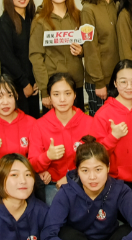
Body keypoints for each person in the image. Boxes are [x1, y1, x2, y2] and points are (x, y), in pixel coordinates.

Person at [28, 72, 97, 203]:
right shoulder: (40, 125)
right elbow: (32, 164)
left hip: (85, 182)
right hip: (53, 185)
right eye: (56, 94)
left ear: (75, 95)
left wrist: (72, 177)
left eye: (67, 93)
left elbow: (99, 159)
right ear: (49, 97)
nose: (62, 99)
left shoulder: (89, 123)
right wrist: (47, 156)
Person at [30, 0, 85, 112]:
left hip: (76, 84)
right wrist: (44, 91)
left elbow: (89, 47)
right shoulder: (40, 20)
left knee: (77, 123)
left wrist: (81, 51)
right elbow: (36, 57)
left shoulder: (78, 16)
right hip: (52, 88)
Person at [93, 60, 132, 192]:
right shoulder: (103, 114)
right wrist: (113, 137)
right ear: (115, 83)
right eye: (123, 82)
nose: (129, 86)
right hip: (115, 181)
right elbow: (95, 155)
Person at [80, 0, 121, 117]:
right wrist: (99, 82)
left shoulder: (116, 5)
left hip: (117, 78)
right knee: (100, 123)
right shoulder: (88, 9)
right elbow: (90, 48)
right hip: (99, 81)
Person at [0, 0, 41, 118]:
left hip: (34, 85)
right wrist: (24, 83)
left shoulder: (32, 18)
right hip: (17, 86)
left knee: (34, 122)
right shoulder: (5, 21)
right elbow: (7, 57)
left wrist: (37, 80)